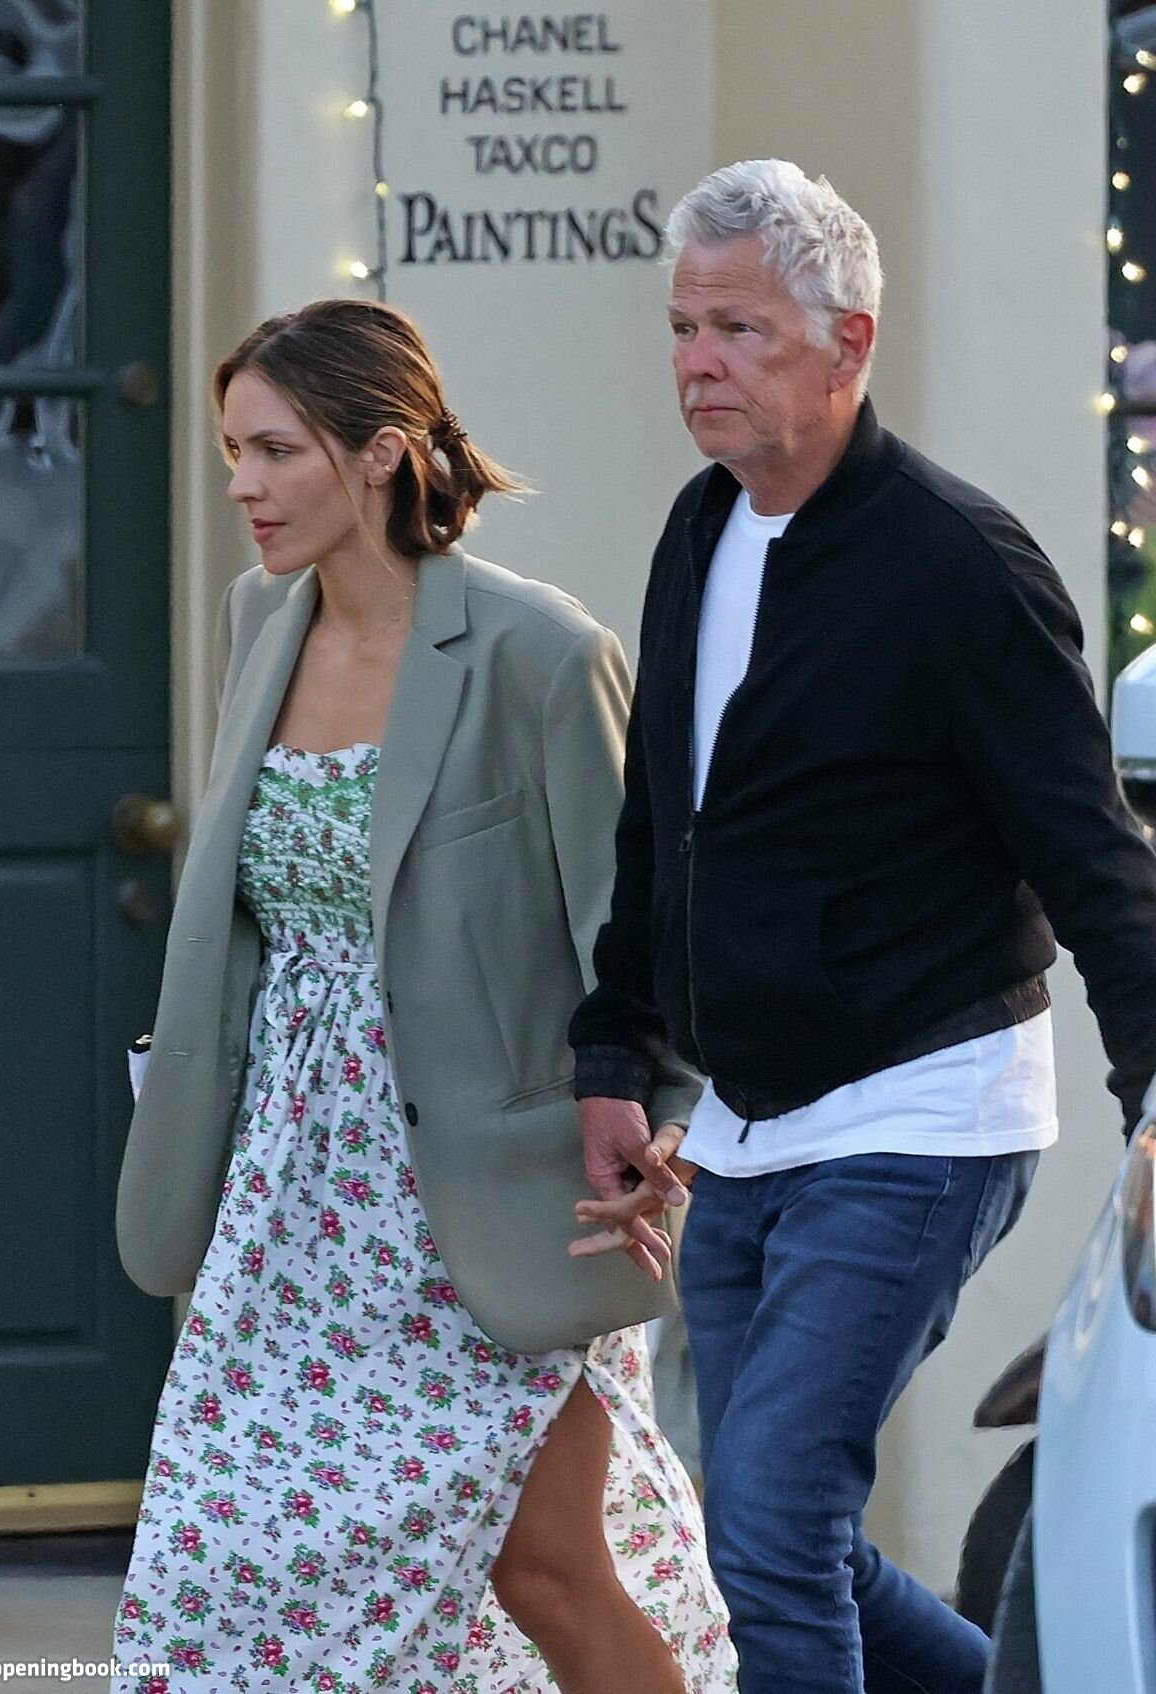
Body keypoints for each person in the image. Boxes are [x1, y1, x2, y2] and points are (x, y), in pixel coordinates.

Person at [567, 157, 1156, 1694]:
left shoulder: (961, 561)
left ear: (851, 342)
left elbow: (1094, 854)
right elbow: (662, 829)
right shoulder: (700, 530)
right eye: (684, 328)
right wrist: (616, 1051)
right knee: (766, 1536)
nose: (700, 362)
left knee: (771, 1521)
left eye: (740, 330)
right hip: (744, 1125)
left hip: (923, 1109)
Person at [111, 298, 736, 1693]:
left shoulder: (540, 652)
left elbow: (643, 936)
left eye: (277, 451)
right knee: (223, 1572)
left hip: (486, 1196)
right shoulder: (257, 621)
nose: (243, 485)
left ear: (383, 452)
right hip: (290, 1208)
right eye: (233, 451)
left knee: (546, 1570)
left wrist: (662, 1125)